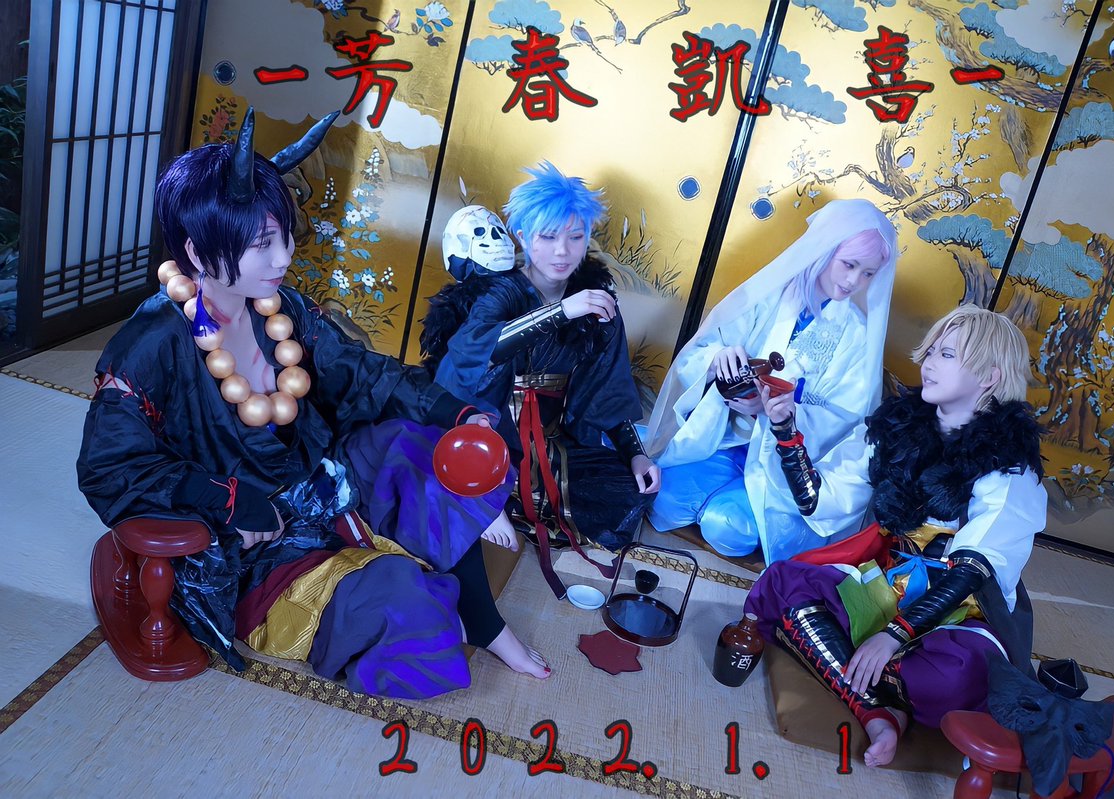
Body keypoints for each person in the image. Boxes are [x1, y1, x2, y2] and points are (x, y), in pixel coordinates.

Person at [76, 109, 548, 703]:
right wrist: (226, 498)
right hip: (251, 545)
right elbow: (108, 466)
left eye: (284, 237)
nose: (283, 257)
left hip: (322, 483)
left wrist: (454, 411)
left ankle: (485, 623)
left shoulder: (281, 308)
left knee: (424, 450)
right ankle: (392, 594)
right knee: (415, 619)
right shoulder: (151, 343)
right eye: (262, 244)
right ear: (198, 250)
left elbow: (359, 371)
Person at [744, 304, 1047, 768]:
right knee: (781, 582)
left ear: (989, 377)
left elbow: (972, 572)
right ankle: (876, 710)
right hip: (886, 588)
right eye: (931, 350)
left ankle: (855, 670)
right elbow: (818, 501)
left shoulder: (1010, 466)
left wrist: (892, 636)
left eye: (947, 354)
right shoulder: (898, 430)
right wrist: (785, 430)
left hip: (961, 613)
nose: (928, 363)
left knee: (955, 677)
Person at [428, 162, 660, 596]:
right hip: (488, 432)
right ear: (522, 237)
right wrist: (561, 311)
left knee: (631, 492)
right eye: (548, 237)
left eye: (575, 237)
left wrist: (636, 454)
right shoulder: (500, 291)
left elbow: (608, 389)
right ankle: (479, 496)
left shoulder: (597, 302)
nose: (562, 251)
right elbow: (474, 353)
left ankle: (500, 500)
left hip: (551, 445)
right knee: (442, 467)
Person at [646, 199, 898, 564]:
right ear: (824, 248)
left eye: (868, 273)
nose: (853, 281)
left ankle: (732, 508)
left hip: (781, 468)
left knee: (725, 526)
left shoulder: (858, 337)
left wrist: (779, 412)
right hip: (724, 438)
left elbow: (849, 419)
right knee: (662, 498)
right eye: (849, 264)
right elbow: (701, 351)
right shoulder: (766, 295)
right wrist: (717, 361)